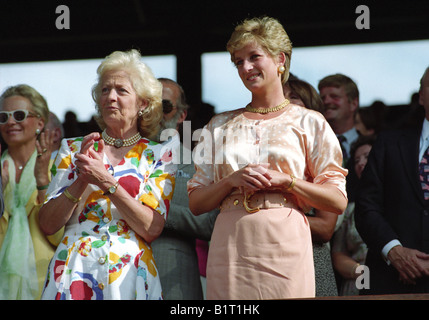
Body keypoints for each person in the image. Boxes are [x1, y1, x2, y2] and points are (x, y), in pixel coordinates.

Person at [187, 16, 348, 300]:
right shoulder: (217, 124)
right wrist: (230, 181)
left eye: (254, 57)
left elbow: (337, 200)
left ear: (280, 59)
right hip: (229, 243)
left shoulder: (311, 122)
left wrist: (288, 182)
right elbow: (196, 203)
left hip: (286, 240)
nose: (246, 67)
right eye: (238, 61)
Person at [39, 49, 178, 300]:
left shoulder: (159, 154)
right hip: (74, 269)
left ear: (143, 103)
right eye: (105, 90)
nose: (110, 97)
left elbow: (151, 228)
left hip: (129, 273)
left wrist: (105, 180)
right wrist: (82, 177)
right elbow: (48, 224)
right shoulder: (72, 148)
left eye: (121, 91)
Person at [355, 67, 429, 295]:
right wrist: (394, 251)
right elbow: (367, 206)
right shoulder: (388, 143)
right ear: (421, 97)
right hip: (388, 281)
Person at [151, 78, 218, 300]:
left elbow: (209, 223)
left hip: (173, 278)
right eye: (148, 104)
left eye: (164, 106)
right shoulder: (114, 159)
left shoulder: (198, 163)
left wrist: (153, 209)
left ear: (181, 115)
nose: (155, 112)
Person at [0, 84, 62, 299]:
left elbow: (60, 236)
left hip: (47, 280)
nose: (10, 122)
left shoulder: (57, 168)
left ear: (40, 123)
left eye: (19, 115)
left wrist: (43, 182)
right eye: (3, 117)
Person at [284, 77, 338, 296]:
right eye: (281, 97)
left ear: (312, 110)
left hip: (311, 261)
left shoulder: (323, 154)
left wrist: (273, 215)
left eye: (294, 97)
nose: (284, 102)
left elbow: (326, 228)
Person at [331, 135, 374, 295]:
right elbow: (338, 253)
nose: (361, 163)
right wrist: (363, 273)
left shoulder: (401, 201)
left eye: (367, 157)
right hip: (358, 283)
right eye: (356, 160)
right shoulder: (349, 209)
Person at [318, 74, 360, 202]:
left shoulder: (374, 145)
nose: (327, 102)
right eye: (323, 98)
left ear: (353, 103)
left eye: (334, 97)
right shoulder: (313, 145)